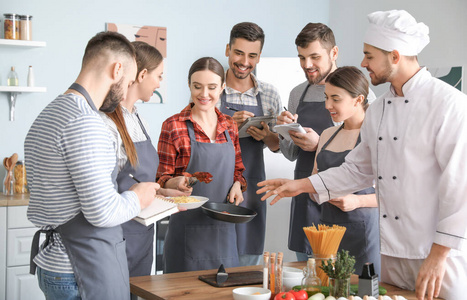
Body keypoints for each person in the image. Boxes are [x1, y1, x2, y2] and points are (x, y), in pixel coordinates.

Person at [258, 10, 467, 300]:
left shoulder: (450, 105)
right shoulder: (379, 109)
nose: (362, 63)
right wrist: (301, 184)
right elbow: (357, 169)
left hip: (437, 255)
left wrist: (439, 256)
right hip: (390, 252)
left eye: (369, 55)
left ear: (394, 56)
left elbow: (460, 189)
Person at [25, 31, 160, 300]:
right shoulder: (86, 122)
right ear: (117, 69)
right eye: (129, 81)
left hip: (57, 263)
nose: (125, 92)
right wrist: (139, 196)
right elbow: (102, 213)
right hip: (80, 268)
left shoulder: (49, 113)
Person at [100, 41, 187, 279]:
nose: (160, 83)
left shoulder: (140, 120)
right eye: (159, 76)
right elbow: (104, 190)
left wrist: (163, 194)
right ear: (142, 74)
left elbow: (140, 181)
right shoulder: (106, 122)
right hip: (116, 233)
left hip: (143, 232)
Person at [157, 57, 247, 273]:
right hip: (186, 232)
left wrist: (238, 185)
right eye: (197, 87)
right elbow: (160, 179)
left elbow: (238, 171)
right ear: (189, 85)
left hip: (224, 231)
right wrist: (174, 182)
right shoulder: (173, 126)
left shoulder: (230, 125)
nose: (204, 94)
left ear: (223, 88)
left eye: (212, 87)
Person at [218, 22, 281, 266]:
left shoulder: (269, 94)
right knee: (214, 259)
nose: (244, 61)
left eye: (252, 55)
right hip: (216, 184)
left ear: (259, 56)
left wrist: (266, 136)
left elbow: (278, 146)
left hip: (252, 187)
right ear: (228, 50)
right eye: (239, 53)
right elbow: (193, 138)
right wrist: (227, 124)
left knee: (247, 264)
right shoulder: (211, 89)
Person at [276, 23, 339, 262]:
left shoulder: (356, 89)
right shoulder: (297, 93)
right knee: (305, 268)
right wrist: (285, 131)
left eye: (315, 57)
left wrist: (320, 144)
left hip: (338, 194)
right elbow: (291, 154)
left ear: (334, 53)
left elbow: (364, 148)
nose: (307, 65)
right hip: (303, 191)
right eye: (302, 57)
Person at [313, 66, 379, 276]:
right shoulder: (327, 134)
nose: (327, 105)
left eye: (335, 99)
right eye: (326, 97)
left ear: (358, 99)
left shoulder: (377, 134)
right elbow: (314, 180)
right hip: (328, 229)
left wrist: (357, 201)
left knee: (363, 291)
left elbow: (396, 192)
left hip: (364, 231)